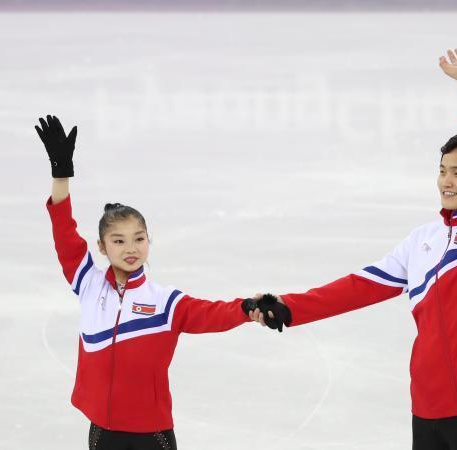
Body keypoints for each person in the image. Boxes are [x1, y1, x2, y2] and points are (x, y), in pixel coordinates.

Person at [251, 49, 457, 450]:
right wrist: (289, 307)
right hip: (427, 403)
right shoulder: (422, 241)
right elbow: (358, 286)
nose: (446, 181)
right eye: (442, 170)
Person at [36, 115, 287, 450]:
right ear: (102, 246)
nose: (131, 248)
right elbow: (64, 232)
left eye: (138, 239)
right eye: (119, 241)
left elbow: (213, 313)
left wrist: (251, 307)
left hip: (152, 435)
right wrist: (61, 175)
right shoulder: (89, 284)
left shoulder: (164, 302)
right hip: (102, 431)